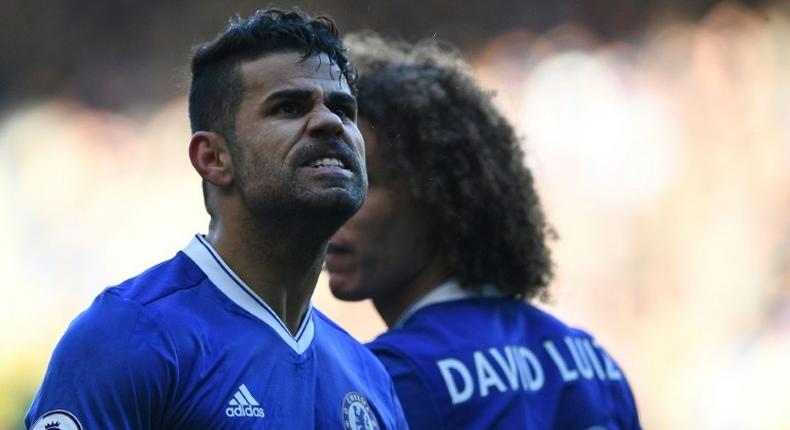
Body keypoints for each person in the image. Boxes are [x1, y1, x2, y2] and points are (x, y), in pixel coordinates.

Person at [26, 11, 407, 430]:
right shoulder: (130, 336)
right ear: (213, 159)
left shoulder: (368, 378)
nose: (330, 122)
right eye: (289, 107)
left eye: (343, 108)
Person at [326, 33, 641, 429]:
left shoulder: (386, 380)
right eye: (327, 179)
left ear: (439, 196)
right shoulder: (596, 366)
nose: (334, 206)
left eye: (362, 182)